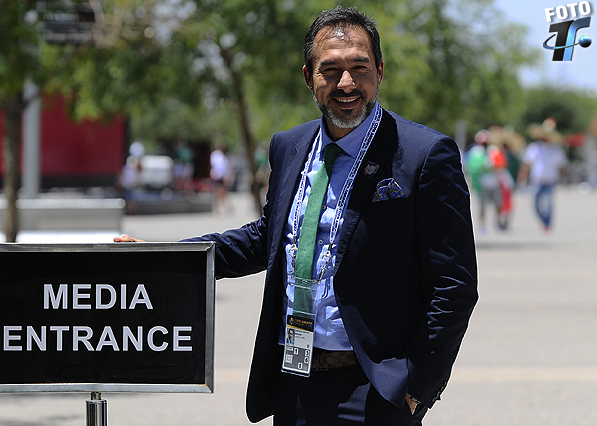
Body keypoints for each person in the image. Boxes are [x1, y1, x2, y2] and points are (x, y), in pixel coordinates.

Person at [116, 6, 477, 425]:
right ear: (309, 77)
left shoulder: (424, 154)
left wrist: (416, 388)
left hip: (375, 390)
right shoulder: (289, 146)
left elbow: (454, 284)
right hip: (294, 383)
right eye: (330, 70)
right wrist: (170, 256)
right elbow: (266, 237)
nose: (346, 83)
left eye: (359, 68)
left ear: (380, 71)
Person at [518, 119, 568, 232]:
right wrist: (522, 178)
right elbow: (527, 164)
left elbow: (562, 165)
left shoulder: (556, 149)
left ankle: (547, 224)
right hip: (537, 181)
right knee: (536, 205)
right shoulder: (534, 147)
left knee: (549, 204)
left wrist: (565, 178)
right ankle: (544, 221)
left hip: (550, 181)